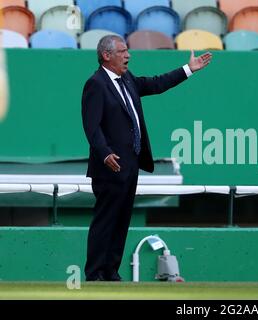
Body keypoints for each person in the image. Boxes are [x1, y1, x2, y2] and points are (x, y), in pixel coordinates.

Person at [81, 35, 211, 281]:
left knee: (121, 221)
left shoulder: (127, 79)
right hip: (110, 166)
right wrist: (105, 152)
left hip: (130, 164)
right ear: (106, 56)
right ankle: (94, 273)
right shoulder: (96, 84)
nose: (128, 55)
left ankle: (111, 271)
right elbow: (91, 126)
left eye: (127, 51)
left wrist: (188, 70)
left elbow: (155, 84)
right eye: (122, 51)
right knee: (105, 220)